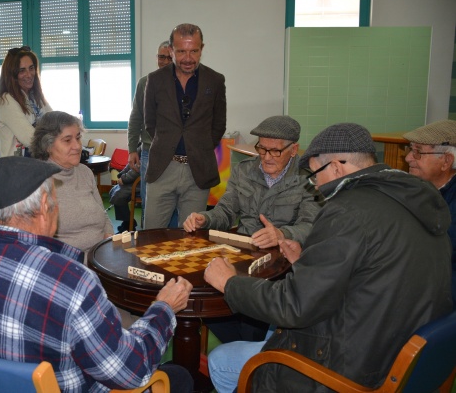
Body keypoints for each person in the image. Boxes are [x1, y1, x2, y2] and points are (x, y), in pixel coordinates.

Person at [205, 123, 452, 392]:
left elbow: (294, 307)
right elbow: (373, 274)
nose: (316, 185)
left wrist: (229, 282)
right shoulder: (415, 199)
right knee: (270, 328)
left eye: (314, 175)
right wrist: (305, 263)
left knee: (221, 360)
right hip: (396, 345)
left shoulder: (346, 211)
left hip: (356, 367)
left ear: (336, 167)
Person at [0, 155, 194, 392]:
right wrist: (164, 307)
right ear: (43, 205)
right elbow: (130, 371)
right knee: (180, 377)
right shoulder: (72, 280)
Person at [184, 115, 321, 344]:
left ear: (294, 149)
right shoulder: (244, 171)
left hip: (281, 264)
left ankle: (245, 357)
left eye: (275, 151)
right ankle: (245, 353)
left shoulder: (308, 179)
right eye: (261, 148)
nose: (266, 157)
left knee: (251, 315)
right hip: (240, 257)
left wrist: (282, 234)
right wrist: (204, 219)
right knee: (202, 297)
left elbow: (311, 226)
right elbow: (225, 212)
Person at [0, 111, 113, 253]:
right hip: (60, 265)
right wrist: (24, 248)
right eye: (67, 140)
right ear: (47, 145)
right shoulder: (33, 177)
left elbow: (103, 214)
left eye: (78, 138)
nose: (77, 146)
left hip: (98, 258)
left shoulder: (85, 172)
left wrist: (108, 237)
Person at [143, 23, 227, 229]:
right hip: (162, 168)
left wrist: (199, 147)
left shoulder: (215, 80)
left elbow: (219, 124)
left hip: (197, 171)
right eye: (181, 51)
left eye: (194, 51)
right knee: (151, 236)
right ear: (171, 50)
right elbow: (149, 122)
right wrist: (167, 144)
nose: (188, 58)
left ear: (202, 49)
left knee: (191, 238)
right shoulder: (154, 80)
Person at [403, 120, 456, 310]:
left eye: (418, 151)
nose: (408, 158)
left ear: (446, 161)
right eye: (410, 149)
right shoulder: (412, 188)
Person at [127, 40, 172, 227]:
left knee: (173, 205)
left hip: (176, 155)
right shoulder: (144, 83)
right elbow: (135, 116)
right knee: (149, 204)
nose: (165, 61)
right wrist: (132, 149)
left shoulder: (185, 85)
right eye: (161, 57)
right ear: (157, 58)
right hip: (149, 153)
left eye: (169, 57)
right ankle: (148, 246)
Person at [0, 45, 52, 157]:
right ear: (11, 75)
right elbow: (30, 138)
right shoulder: (6, 100)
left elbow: (54, 120)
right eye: (22, 70)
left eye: (31, 68)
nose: (29, 74)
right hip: (17, 169)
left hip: (37, 163)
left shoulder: (35, 96)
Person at [109, 147, 141, 232]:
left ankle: (128, 223)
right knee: (113, 191)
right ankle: (127, 221)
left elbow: (138, 168)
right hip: (134, 181)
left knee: (119, 194)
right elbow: (130, 165)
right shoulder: (141, 145)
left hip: (141, 183)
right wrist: (121, 175)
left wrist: (124, 179)